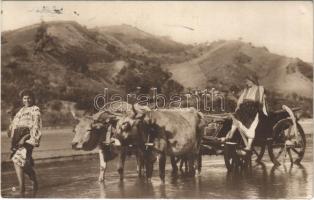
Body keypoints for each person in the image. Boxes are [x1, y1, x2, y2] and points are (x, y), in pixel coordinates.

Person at [8, 89, 42, 197]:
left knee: (17, 161)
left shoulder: (35, 109)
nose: (26, 100)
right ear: (22, 99)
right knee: (21, 162)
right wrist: (11, 130)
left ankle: (21, 188)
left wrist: (27, 138)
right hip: (17, 138)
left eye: (29, 98)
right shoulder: (21, 110)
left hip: (27, 137)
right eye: (24, 98)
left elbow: (36, 125)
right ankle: (33, 178)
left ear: (33, 99)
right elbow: (15, 125)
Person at [222, 75, 268, 154]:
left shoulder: (260, 88)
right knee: (235, 116)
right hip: (244, 108)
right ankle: (230, 135)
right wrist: (239, 106)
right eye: (246, 81)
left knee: (248, 123)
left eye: (248, 81)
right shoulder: (246, 90)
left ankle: (248, 145)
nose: (246, 83)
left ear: (252, 80)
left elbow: (259, 101)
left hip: (253, 108)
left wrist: (250, 103)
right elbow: (240, 101)